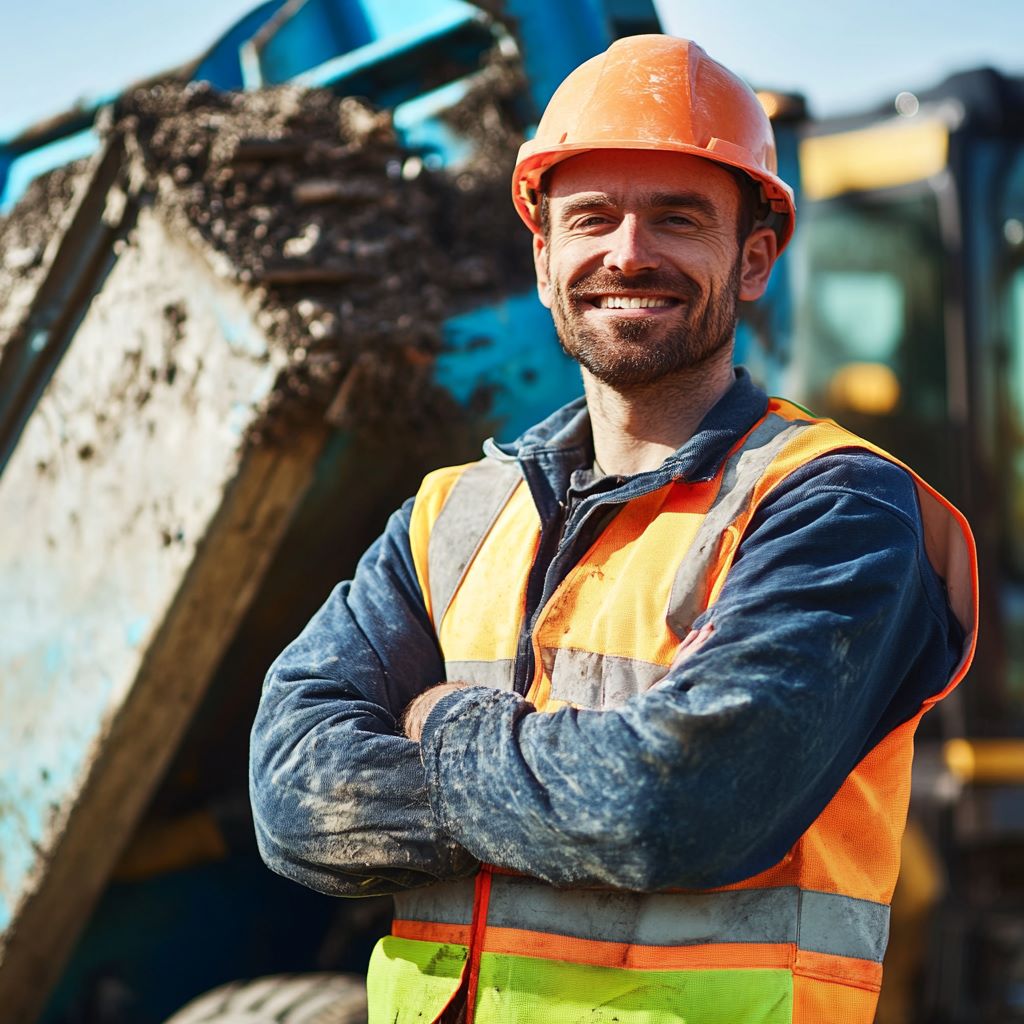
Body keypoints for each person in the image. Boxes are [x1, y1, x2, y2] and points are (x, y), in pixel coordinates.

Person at [250, 35, 977, 1024]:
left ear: (754, 257)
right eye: (591, 217)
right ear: (544, 255)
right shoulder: (453, 512)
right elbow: (294, 797)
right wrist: (573, 775)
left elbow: (671, 805)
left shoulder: (833, 508)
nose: (628, 253)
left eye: (677, 219)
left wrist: (442, 727)